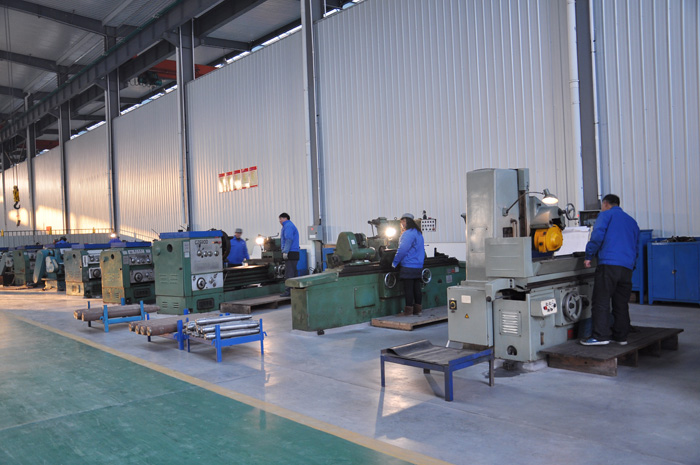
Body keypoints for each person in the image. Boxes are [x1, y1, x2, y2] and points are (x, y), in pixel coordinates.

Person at [580, 194, 640, 346]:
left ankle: (601, 336)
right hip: (626, 268)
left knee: (601, 300)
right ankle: (621, 337)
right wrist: (631, 265)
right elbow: (636, 246)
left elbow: (597, 236)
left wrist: (589, 256)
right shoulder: (632, 221)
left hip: (609, 265)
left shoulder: (605, 215)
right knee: (621, 303)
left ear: (605, 204)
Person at [391, 213, 425, 316]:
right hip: (418, 265)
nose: (402, 224)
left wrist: (395, 262)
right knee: (416, 288)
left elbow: (402, 250)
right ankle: (418, 310)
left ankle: (408, 311)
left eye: (403, 221)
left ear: (406, 221)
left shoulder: (407, 234)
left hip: (408, 265)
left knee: (408, 288)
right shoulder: (418, 233)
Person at [279, 212, 300, 297]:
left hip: (290, 252)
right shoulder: (289, 225)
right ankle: (295, 290)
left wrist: (285, 251)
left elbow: (289, 239)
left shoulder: (288, 226)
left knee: (289, 273)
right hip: (294, 252)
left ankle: (289, 291)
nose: (280, 221)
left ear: (285, 218)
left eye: (280, 219)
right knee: (293, 272)